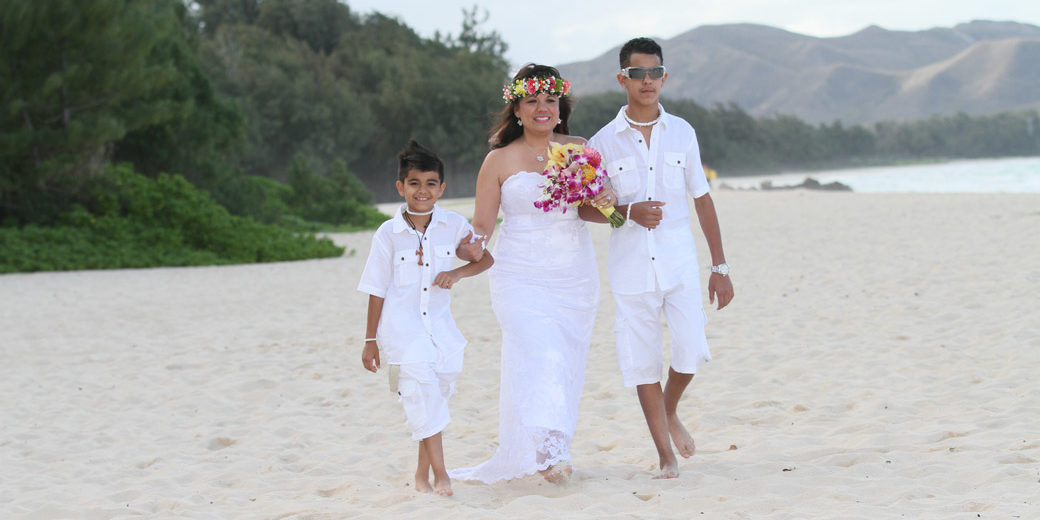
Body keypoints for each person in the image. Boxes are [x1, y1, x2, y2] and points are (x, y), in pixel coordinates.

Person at [448, 64, 613, 484]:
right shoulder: (498, 159)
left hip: (573, 275)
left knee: (564, 360)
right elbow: (483, 226)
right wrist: (469, 247)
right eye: (532, 101)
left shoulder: (579, 148)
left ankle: (552, 444)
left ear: (561, 107)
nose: (542, 108)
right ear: (517, 109)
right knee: (541, 353)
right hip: (518, 274)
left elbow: (595, 211)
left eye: (550, 100)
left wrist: (612, 204)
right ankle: (549, 454)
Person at [587, 37, 735, 479]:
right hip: (631, 268)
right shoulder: (600, 143)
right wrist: (627, 212)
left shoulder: (684, 132)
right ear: (622, 79)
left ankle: (669, 410)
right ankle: (665, 456)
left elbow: (702, 200)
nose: (647, 81)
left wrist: (720, 266)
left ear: (664, 77)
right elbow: (588, 209)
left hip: (679, 263)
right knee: (642, 362)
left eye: (654, 73)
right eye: (638, 74)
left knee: (692, 350)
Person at [358, 139, 494, 496]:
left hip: (442, 331)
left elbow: (486, 259)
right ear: (400, 187)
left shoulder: (453, 224)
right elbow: (376, 288)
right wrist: (370, 341)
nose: (423, 191)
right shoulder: (387, 234)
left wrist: (458, 274)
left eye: (431, 183)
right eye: (414, 183)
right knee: (421, 395)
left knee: (434, 401)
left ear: (442, 188)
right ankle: (441, 475)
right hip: (402, 332)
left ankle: (421, 476)